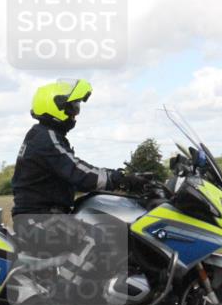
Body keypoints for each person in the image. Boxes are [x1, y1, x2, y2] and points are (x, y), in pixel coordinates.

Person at [11, 79, 145, 217]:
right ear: (56, 107)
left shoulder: (42, 134)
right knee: (104, 236)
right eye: (73, 107)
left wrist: (116, 178)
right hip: (40, 218)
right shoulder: (45, 138)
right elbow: (76, 171)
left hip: (41, 215)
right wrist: (119, 179)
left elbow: (73, 177)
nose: (75, 113)